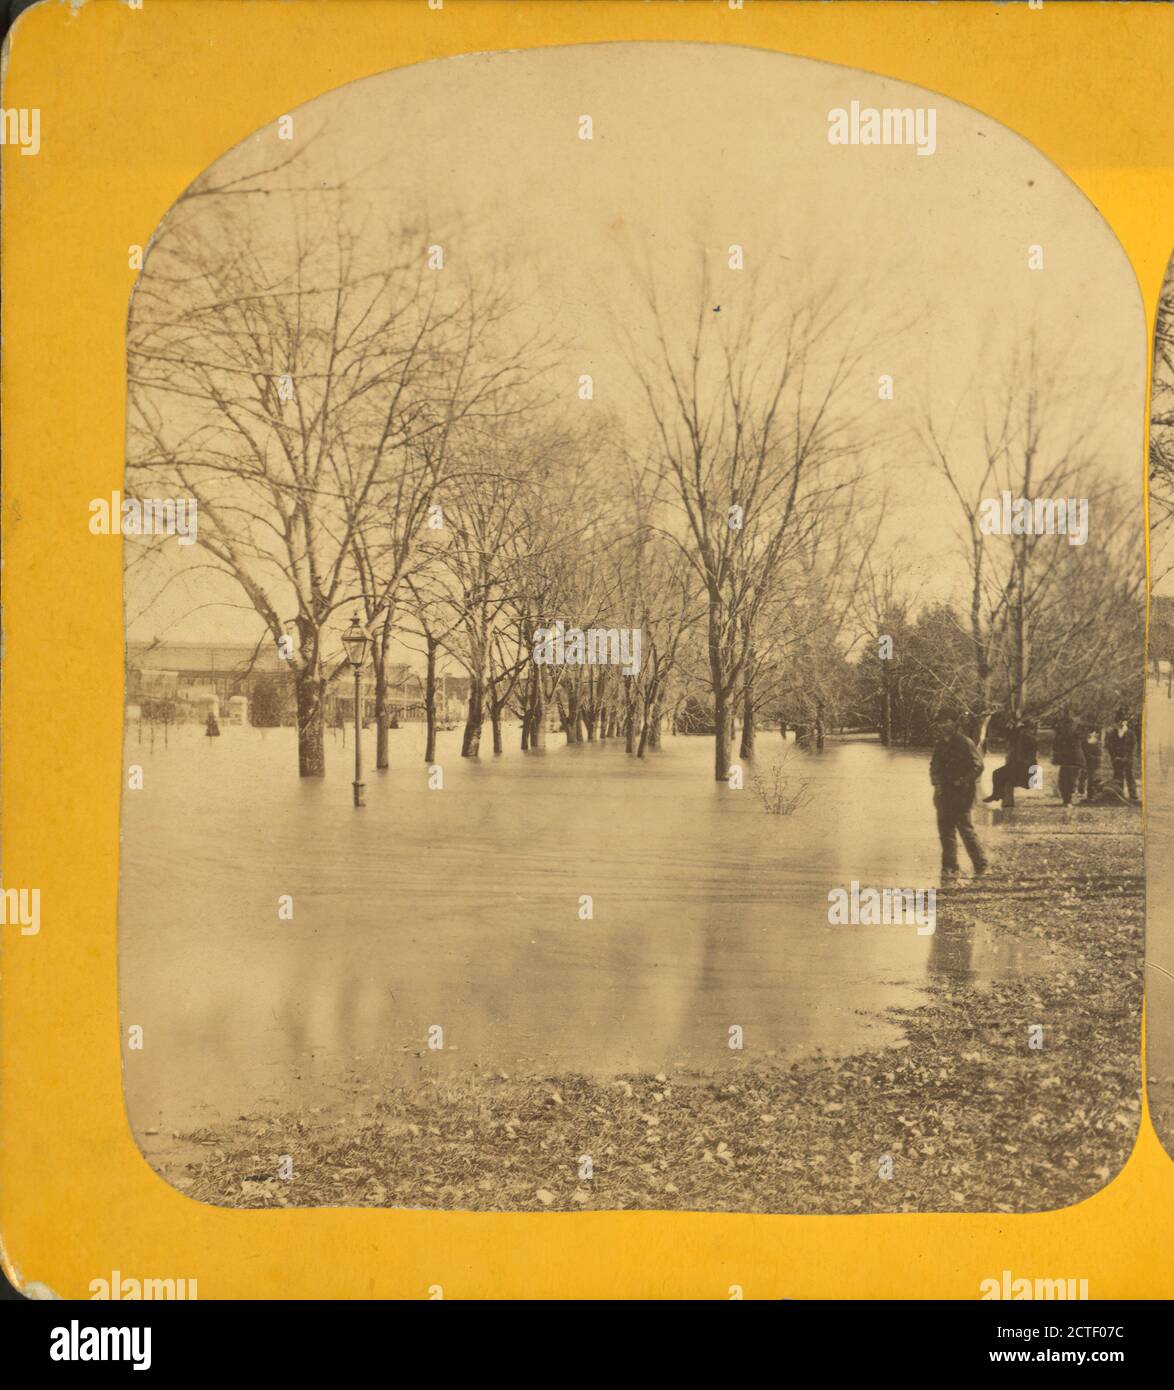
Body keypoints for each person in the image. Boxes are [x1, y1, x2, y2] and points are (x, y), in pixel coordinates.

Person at [930, 717, 988, 879]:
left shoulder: (965, 742)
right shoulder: (941, 744)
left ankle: (981, 864)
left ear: (955, 725)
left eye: (946, 723)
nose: (943, 726)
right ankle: (950, 867)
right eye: (940, 723)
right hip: (944, 794)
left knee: (966, 830)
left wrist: (962, 781)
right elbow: (934, 766)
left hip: (963, 793)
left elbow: (978, 766)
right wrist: (936, 783)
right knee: (945, 831)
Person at [983, 717, 1038, 807]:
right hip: (1020, 767)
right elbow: (1009, 735)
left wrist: (1019, 762)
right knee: (1000, 775)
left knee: (997, 774)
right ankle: (998, 795)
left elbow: (1030, 757)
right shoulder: (1022, 738)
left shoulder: (1028, 740)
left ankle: (996, 795)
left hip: (1026, 769)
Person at [1105, 711, 1139, 803]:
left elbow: (1133, 747)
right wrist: (1114, 756)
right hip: (1116, 758)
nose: (1121, 723)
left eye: (1123, 721)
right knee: (1118, 776)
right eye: (1119, 721)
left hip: (1128, 759)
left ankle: (1133, 796)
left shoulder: (1130, 734)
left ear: (1126, 722)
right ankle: (1119, 795)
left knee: (1130, 776)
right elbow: (1109, 746)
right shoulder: (1112, 734)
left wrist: (1127, 757)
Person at [1051, 711, 1082, 807]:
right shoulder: (1062, 735)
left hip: (1073, 760)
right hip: (1067, 761)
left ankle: (1069, 800)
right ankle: (1067, 800)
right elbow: (1056, 747)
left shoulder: (1074, 735)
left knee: (1070, 780)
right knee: (1064, 780)